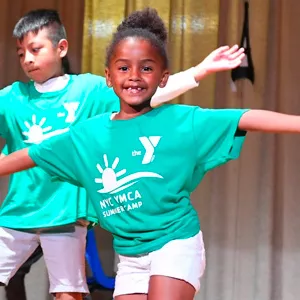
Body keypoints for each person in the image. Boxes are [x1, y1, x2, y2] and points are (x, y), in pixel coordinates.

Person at [0, 7, 299, 300]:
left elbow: (244, 117)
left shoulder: (182, 120)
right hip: (130, 256)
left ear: (163, 77)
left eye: (146, 68)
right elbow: (32, 155)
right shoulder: (87, 135)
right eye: (123, 68)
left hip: (174, 244)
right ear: (108, 76)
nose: (134, 76)